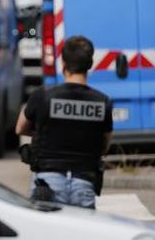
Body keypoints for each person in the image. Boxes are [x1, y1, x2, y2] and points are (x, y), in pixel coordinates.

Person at [16, 35, 112, 209]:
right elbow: (104, 146)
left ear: (63, 64)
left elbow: (20, 128)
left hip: (47, 181)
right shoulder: (102, 102)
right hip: (84, 181)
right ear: (89, 65)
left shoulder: (42, 95)